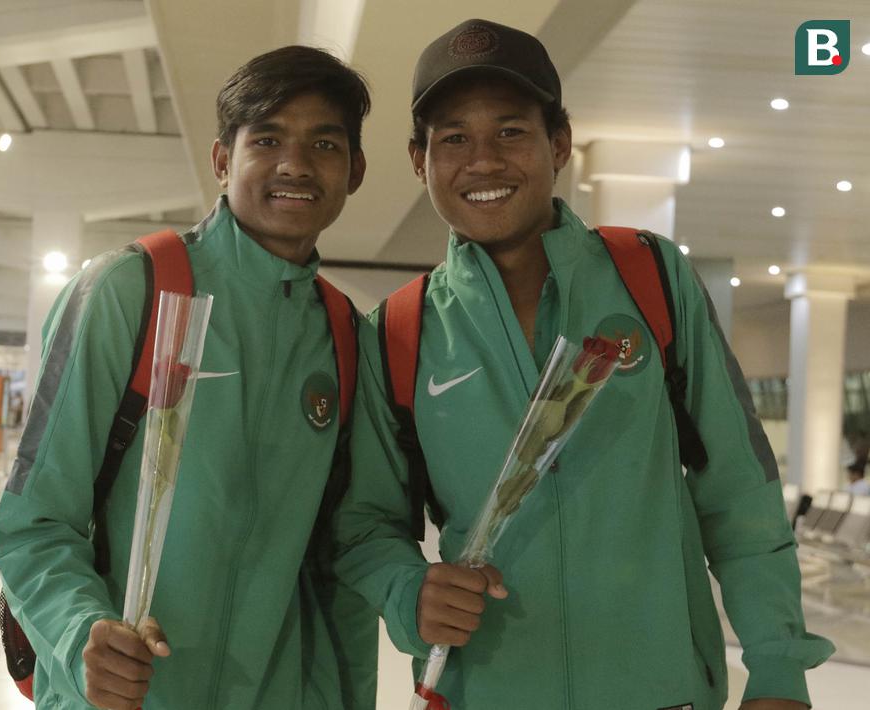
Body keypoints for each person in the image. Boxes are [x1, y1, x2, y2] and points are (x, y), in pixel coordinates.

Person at [332, 19, 834, 710]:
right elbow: (362, 524)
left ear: (558, 144)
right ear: (419, 159)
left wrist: (778, 670)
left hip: (659, 692)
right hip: (492, 691)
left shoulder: (649, 279)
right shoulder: (399, 330)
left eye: (510, 131)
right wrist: (404, 588)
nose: (482, 160)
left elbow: (737, 492)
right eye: (453, 138)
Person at [0, 46, 373, 710]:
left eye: (324, 143)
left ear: (355, 170)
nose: (295, 163)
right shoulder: (129, 291)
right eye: (268, 139)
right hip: (124, 695)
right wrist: (80, 629)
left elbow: (338, 567)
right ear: (223, 161)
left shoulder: (343, 335)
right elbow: (33, 521)